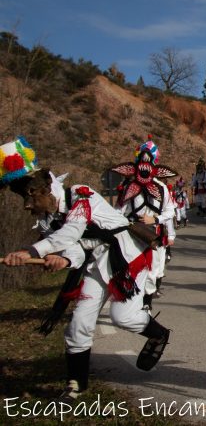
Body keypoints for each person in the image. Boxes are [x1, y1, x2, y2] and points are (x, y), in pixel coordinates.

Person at [0, 136, 171, 400]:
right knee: (79, 321)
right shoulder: (47, 221)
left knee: (122, 317)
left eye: (29, 197)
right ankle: (76, 385)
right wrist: (63, 260)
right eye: (23, 198)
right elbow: (74, 247)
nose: (26, 205)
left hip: (126, 256)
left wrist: (32, 251)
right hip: (96, 264)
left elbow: (73, 231)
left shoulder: (81, 194)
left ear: (45, 190)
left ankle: (158, 335)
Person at [110, 137, 177, 312]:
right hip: (131, 234)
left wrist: (156, 221)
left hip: (153, 234)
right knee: (131, 266)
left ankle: (146, 301)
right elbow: (119, 210)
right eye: (142, 159)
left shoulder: (162, 188)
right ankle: (129, 298)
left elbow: (170, 212)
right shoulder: (128, 186)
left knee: (153, 269)